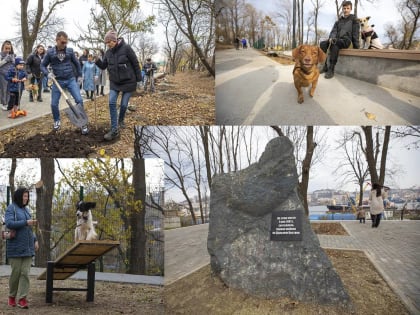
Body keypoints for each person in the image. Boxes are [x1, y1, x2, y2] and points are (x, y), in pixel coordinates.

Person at [95, 30, 142, 141]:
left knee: (124, 105)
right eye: (107, 43)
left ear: (115, 40)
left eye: (110, 42)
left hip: (129, 81)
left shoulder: (126, 48)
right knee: (111, 102)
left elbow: (135, 63)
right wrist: (97, 61)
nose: (108, 44)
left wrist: (139, 80)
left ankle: (121, 120)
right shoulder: (108, 53)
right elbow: (103, 66)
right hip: (115, 82)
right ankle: (114, 129)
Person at [41, 31, 88, 134]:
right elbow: (42, 65)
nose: (64, 44)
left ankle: (82, 122)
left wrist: (80, 76)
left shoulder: (70, 51)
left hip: (70, 79)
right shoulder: (50, 52)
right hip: (57, 81)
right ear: (57, 40)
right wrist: (47, 74)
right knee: (54, 104)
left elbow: (77, 64)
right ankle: (57, 121)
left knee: (79, 100)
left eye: (66, 42)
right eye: (62, 42)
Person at [5, 187, 38, 309]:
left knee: (25, 274)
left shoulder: (26, 210)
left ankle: (22, 299)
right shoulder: (11, 208)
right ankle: (12, 297)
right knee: (16, 273)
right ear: (19, 196)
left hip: (28, 247)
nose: (26, 198)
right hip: (15, 248)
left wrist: (35, 240)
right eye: (24, 196)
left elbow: (29, 229)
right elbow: (9, 223)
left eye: (27, 196)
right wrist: (26, 222)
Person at [319, 0, 359, 79]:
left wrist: (356, 47)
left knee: (335, 44)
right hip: (336, 39)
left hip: (346, 40)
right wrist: (331, 38)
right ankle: (325, 66)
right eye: (344, 8)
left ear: (350, 9)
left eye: (348, 8)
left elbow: (355, 34)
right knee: (323, 43)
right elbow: (333, 31)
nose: (346, 10)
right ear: (342, 9)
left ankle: (331, 69)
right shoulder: (338, 21)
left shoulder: (354, 20)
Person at [0, 40, 15, 110]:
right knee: (4, 89)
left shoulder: (12, 55)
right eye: (6, 48)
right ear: (3, 47)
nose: (7, 50)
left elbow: (14, 64)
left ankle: (8, 103)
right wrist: (5, 60)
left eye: (9, 48)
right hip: (2, 74)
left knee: (9, 89)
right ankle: (3, 103)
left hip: (10, 75)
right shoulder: (0, 55)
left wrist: (13, 61)